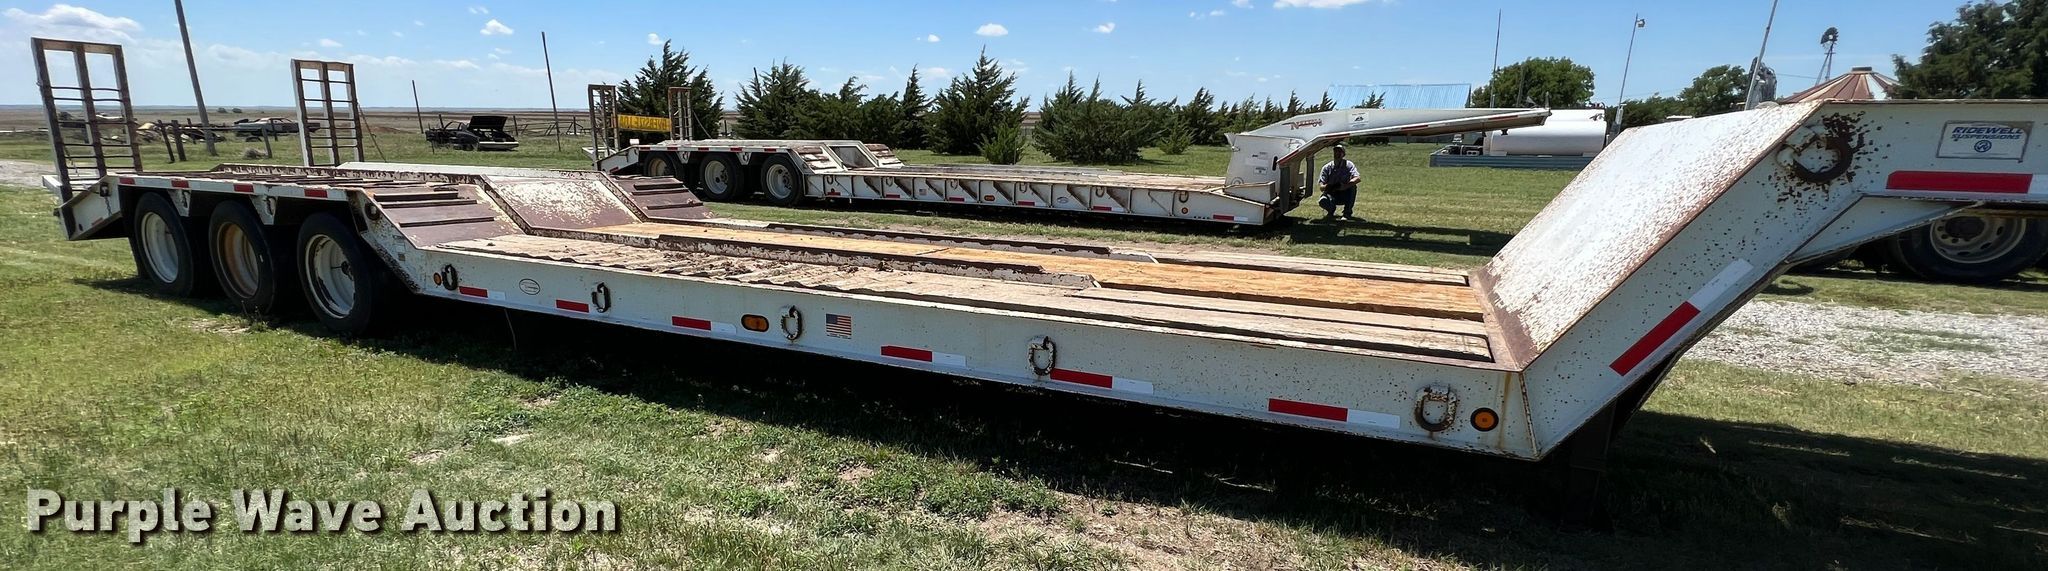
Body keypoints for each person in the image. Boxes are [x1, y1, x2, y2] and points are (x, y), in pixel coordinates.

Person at [1318, 144, 1361, 220]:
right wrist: (1331, 186)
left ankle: (1347, 213)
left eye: (1339, 152)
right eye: (1335, 151)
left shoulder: (1349, 164)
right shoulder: (1327, 167)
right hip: (1331, 193)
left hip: (1345, 192)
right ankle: (1331, 211)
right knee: (1322, 200)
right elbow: (1321, 187)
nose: (1337, 153)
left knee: (1353, 187)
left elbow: (1357, 178)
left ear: (1343, 154)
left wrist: (1345, 186)